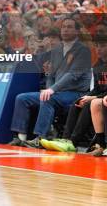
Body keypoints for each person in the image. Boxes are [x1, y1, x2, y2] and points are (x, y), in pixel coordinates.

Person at [9, 17, 91, 148]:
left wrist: (51, 90)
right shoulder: (58, 51)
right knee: (22, 98)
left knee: (48, 99)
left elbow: (72, 75)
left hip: (76, 93)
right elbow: (51, 76)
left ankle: (40, 138)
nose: (65, 29)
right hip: (57, 92)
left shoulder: (82, 51)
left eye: (69, 27)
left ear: (76, 32)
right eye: (64, 26)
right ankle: (20, 138)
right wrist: (49, 89)